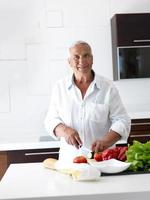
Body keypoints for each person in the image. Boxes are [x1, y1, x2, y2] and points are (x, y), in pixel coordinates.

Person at [44, 41, 131, 162]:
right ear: (69, 61)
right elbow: (50, 120)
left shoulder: (108, 87)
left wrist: (107, 140)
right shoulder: (59, 87)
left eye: (86, 55)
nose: (82, 61)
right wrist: (65, 131)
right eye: (76, 57)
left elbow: (123, 121)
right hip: (70, 161)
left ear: (92, 59)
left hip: (103, 160)